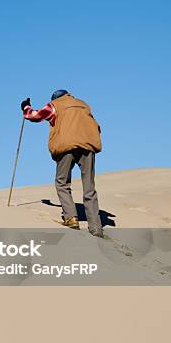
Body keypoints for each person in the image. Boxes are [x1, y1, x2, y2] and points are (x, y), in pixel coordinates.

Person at [21, 90, 104, 237]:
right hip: (88, 146)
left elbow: (35, 116)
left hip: (67, 147)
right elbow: (96, 126)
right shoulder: (83, 105)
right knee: (89, 187)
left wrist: (26, 107)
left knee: (62, 183)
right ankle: (96, 227)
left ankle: (71, 218)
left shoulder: (55, 105)